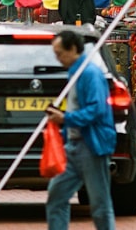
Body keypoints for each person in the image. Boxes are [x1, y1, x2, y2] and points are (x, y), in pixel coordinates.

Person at [45, 30, 117, 230]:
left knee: (100, 204)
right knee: (56, 196)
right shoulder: (75, 72)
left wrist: (65, 118)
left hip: (92, 146)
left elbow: (96, 109)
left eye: (60, 53)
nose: (58, 58)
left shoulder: (90, 73)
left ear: (73, 49)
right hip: (73, 146)